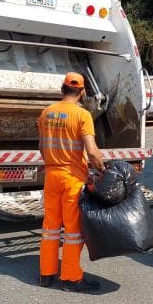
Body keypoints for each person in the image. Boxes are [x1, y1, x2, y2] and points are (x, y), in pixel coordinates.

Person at [38, 72, 106, 291]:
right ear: (83, 91)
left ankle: (46, 274)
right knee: (73, 231)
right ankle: (70, 277)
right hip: (72, 179)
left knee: (50, 227)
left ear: (62, 89)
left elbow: (41, 147)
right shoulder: (82, 115)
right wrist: (102, 168)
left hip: (51, 177)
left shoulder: (46, 113)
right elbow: (92, 151)